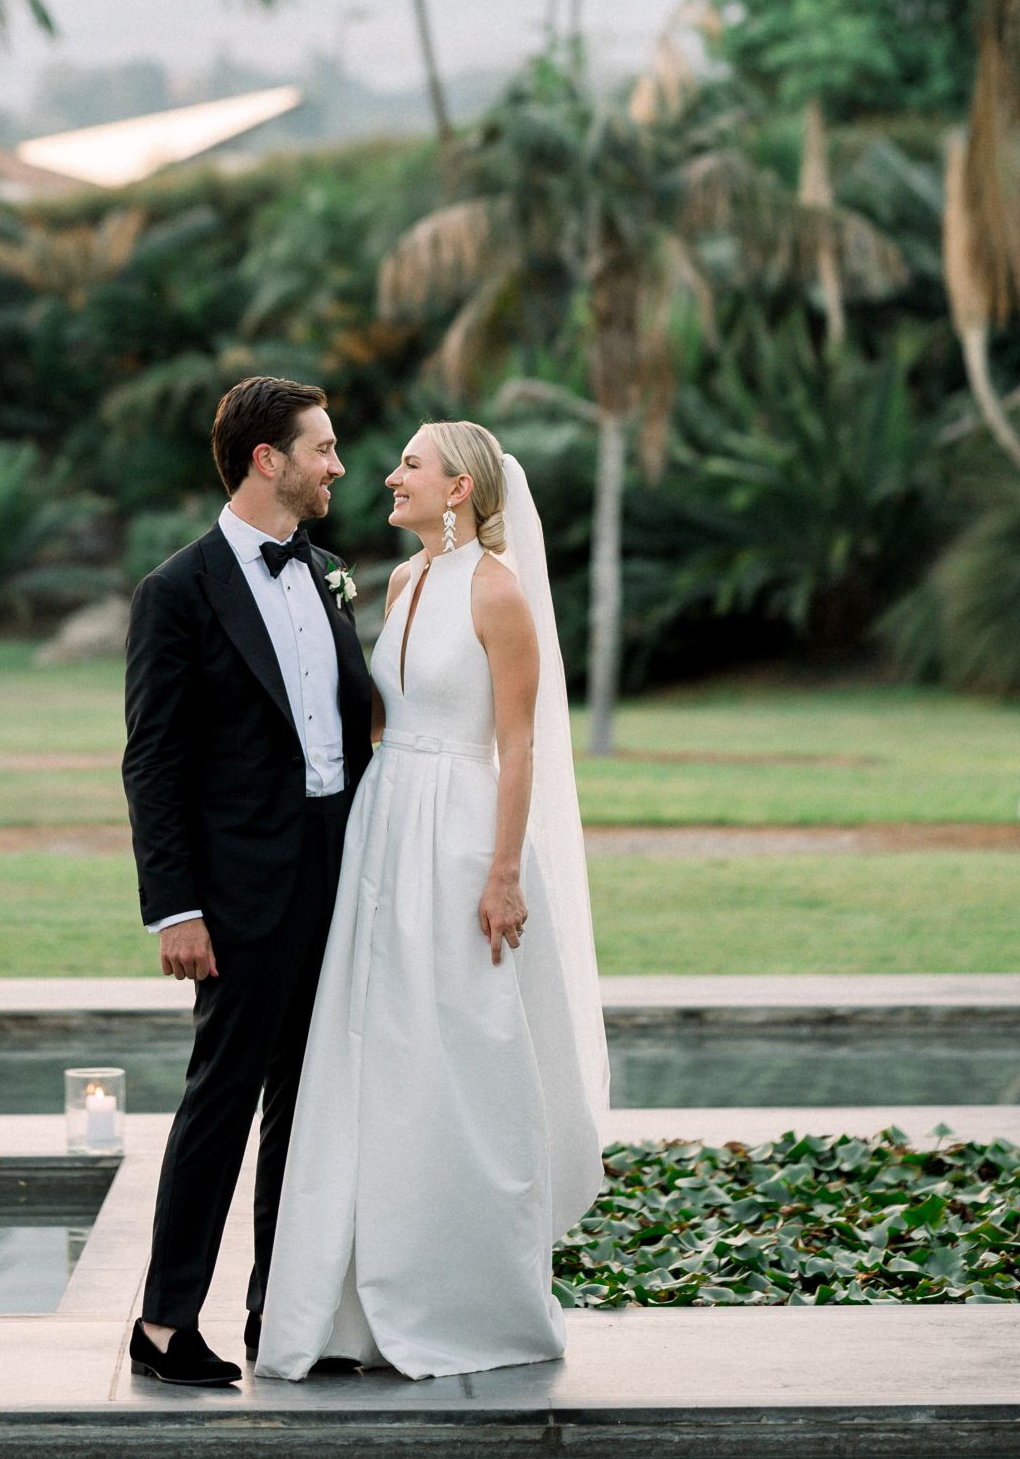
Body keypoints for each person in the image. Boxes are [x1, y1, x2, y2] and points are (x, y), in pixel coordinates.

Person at [255, 420, 608, 1381]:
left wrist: (502, 874)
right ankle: (355, 1299)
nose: (388, 475)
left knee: (462, 1051)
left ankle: (468, 1296)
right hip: (385, 825)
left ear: (459, 488)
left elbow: (521, 744)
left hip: (460, 836)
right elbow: (377, 711)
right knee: (374, 1049)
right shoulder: (405, 582)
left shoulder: (498, 592)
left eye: (410, 464)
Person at [122, 374, 373, 1390]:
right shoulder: (176, 592)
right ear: (269, 458)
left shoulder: (327, 574)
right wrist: (174, 904)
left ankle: (285, 1310)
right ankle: (163, 1321)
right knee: (221, 1101)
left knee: (308, 1107)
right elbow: (153, 759)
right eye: (323, 446)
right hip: (236, 895)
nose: (338, 465)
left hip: (337, 877)